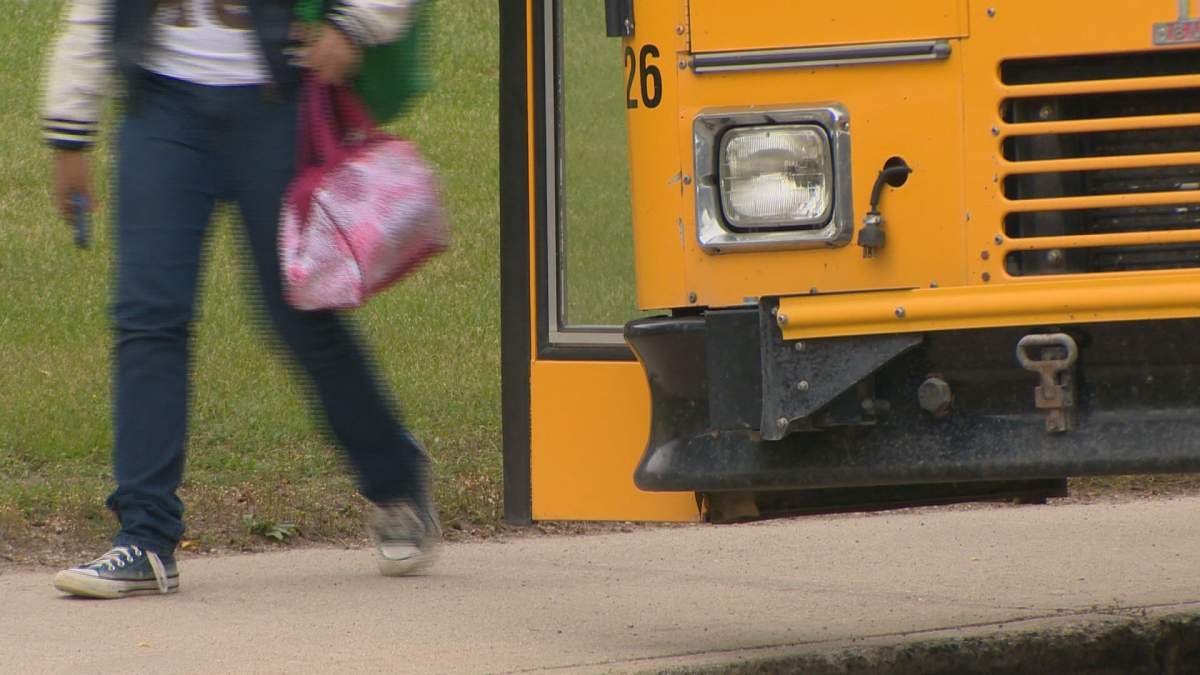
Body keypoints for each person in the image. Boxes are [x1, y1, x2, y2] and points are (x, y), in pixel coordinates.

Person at [43, 0, 439, 599]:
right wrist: (70, 129)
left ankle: (395, 479)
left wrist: (357, 22)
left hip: (276, 102)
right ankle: (145, 538)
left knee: (299, 315)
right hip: (162, 109)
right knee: (147, 318)